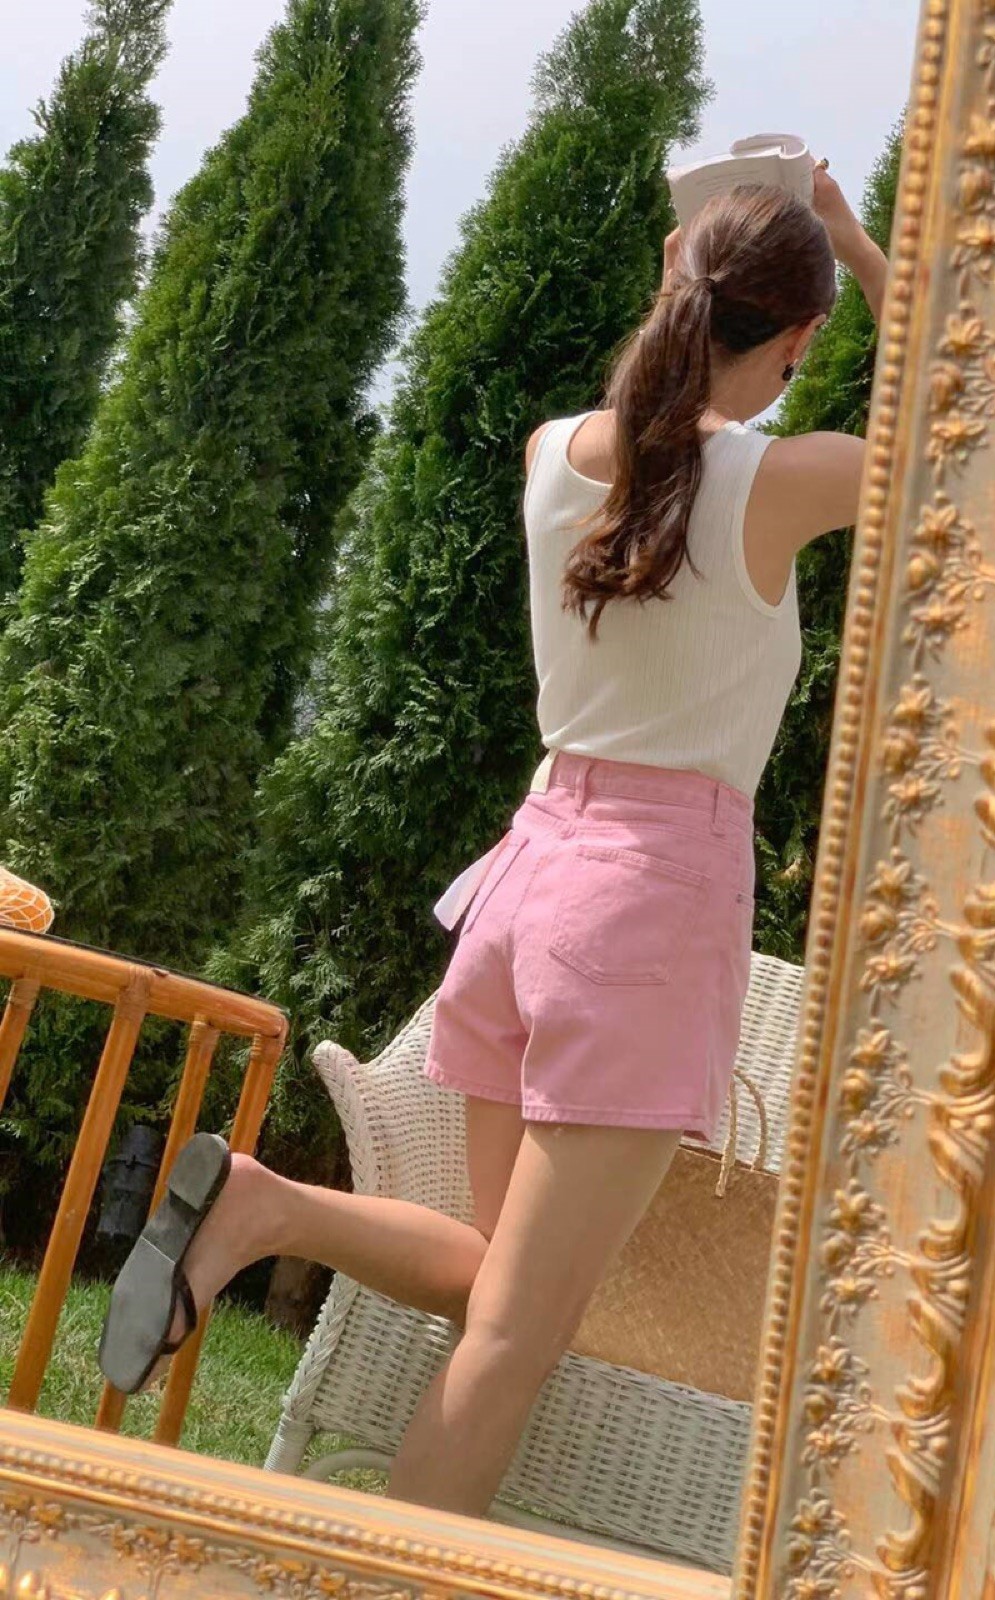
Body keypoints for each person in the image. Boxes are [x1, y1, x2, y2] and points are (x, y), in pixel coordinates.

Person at [99, 165, 887, 1519]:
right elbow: (982, 434)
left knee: (494, 1275)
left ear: (671, 281)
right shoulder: (789, 482)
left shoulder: (553, 454)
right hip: (646, 911)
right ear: (802, 338)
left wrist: (704, 267)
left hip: (528, 884)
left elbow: (664, 423)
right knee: (516, 1339)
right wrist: (866, 247)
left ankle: (264, 1209)